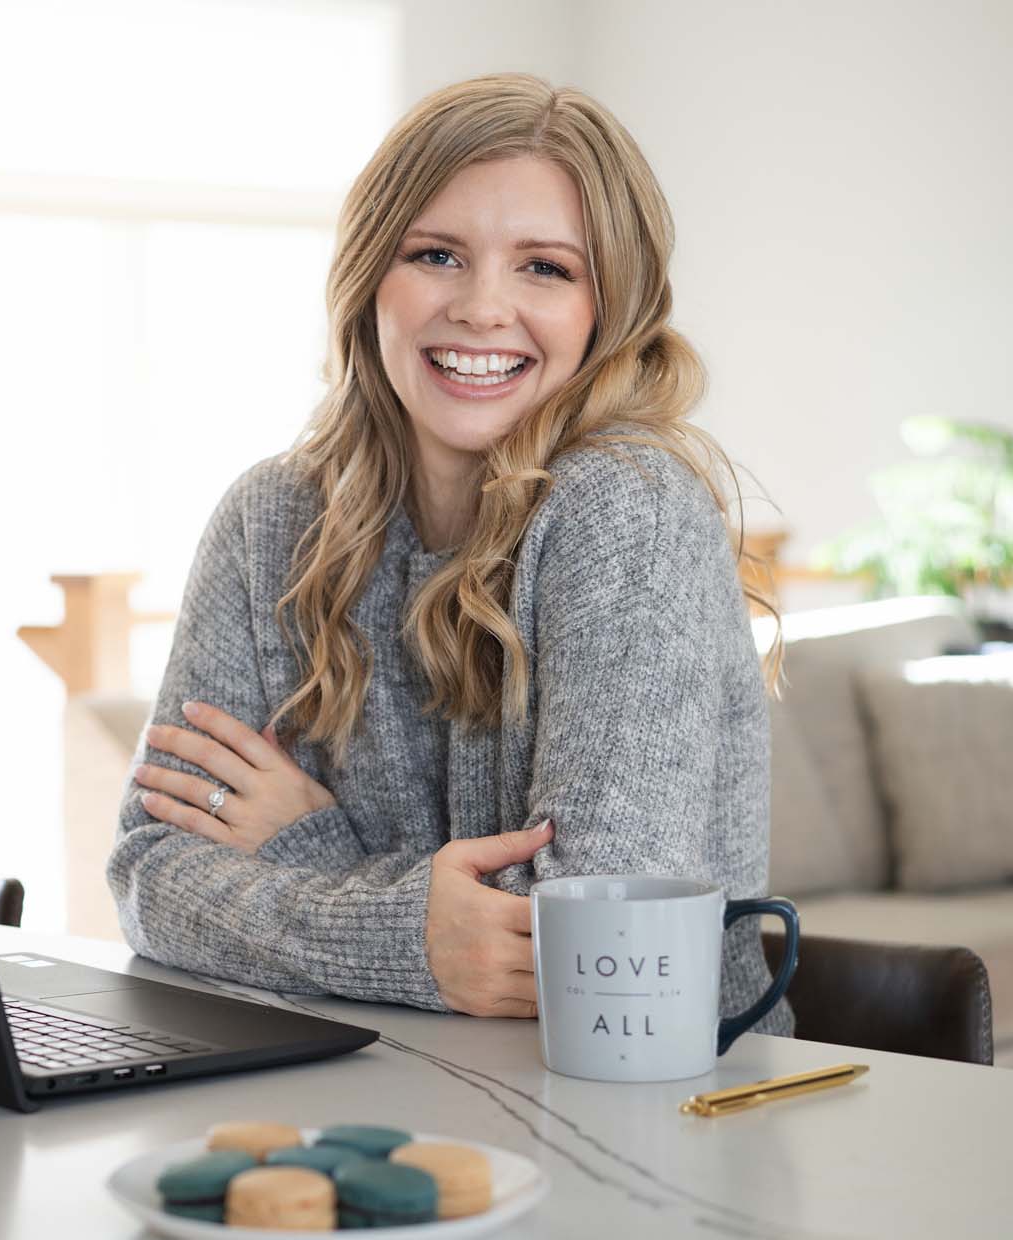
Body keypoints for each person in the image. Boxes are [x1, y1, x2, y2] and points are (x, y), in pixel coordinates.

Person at [104, 72, 794, 1035]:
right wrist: (417, 928)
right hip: (365, 1093)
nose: (482, 308)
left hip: (645, 1123)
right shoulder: (270, 520)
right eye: (436, 253)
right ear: (369, 277)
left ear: (610, 307)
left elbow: (589, 951)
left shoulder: (627, 511)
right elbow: (150, 874)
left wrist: (305, 847)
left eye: (545, 268)